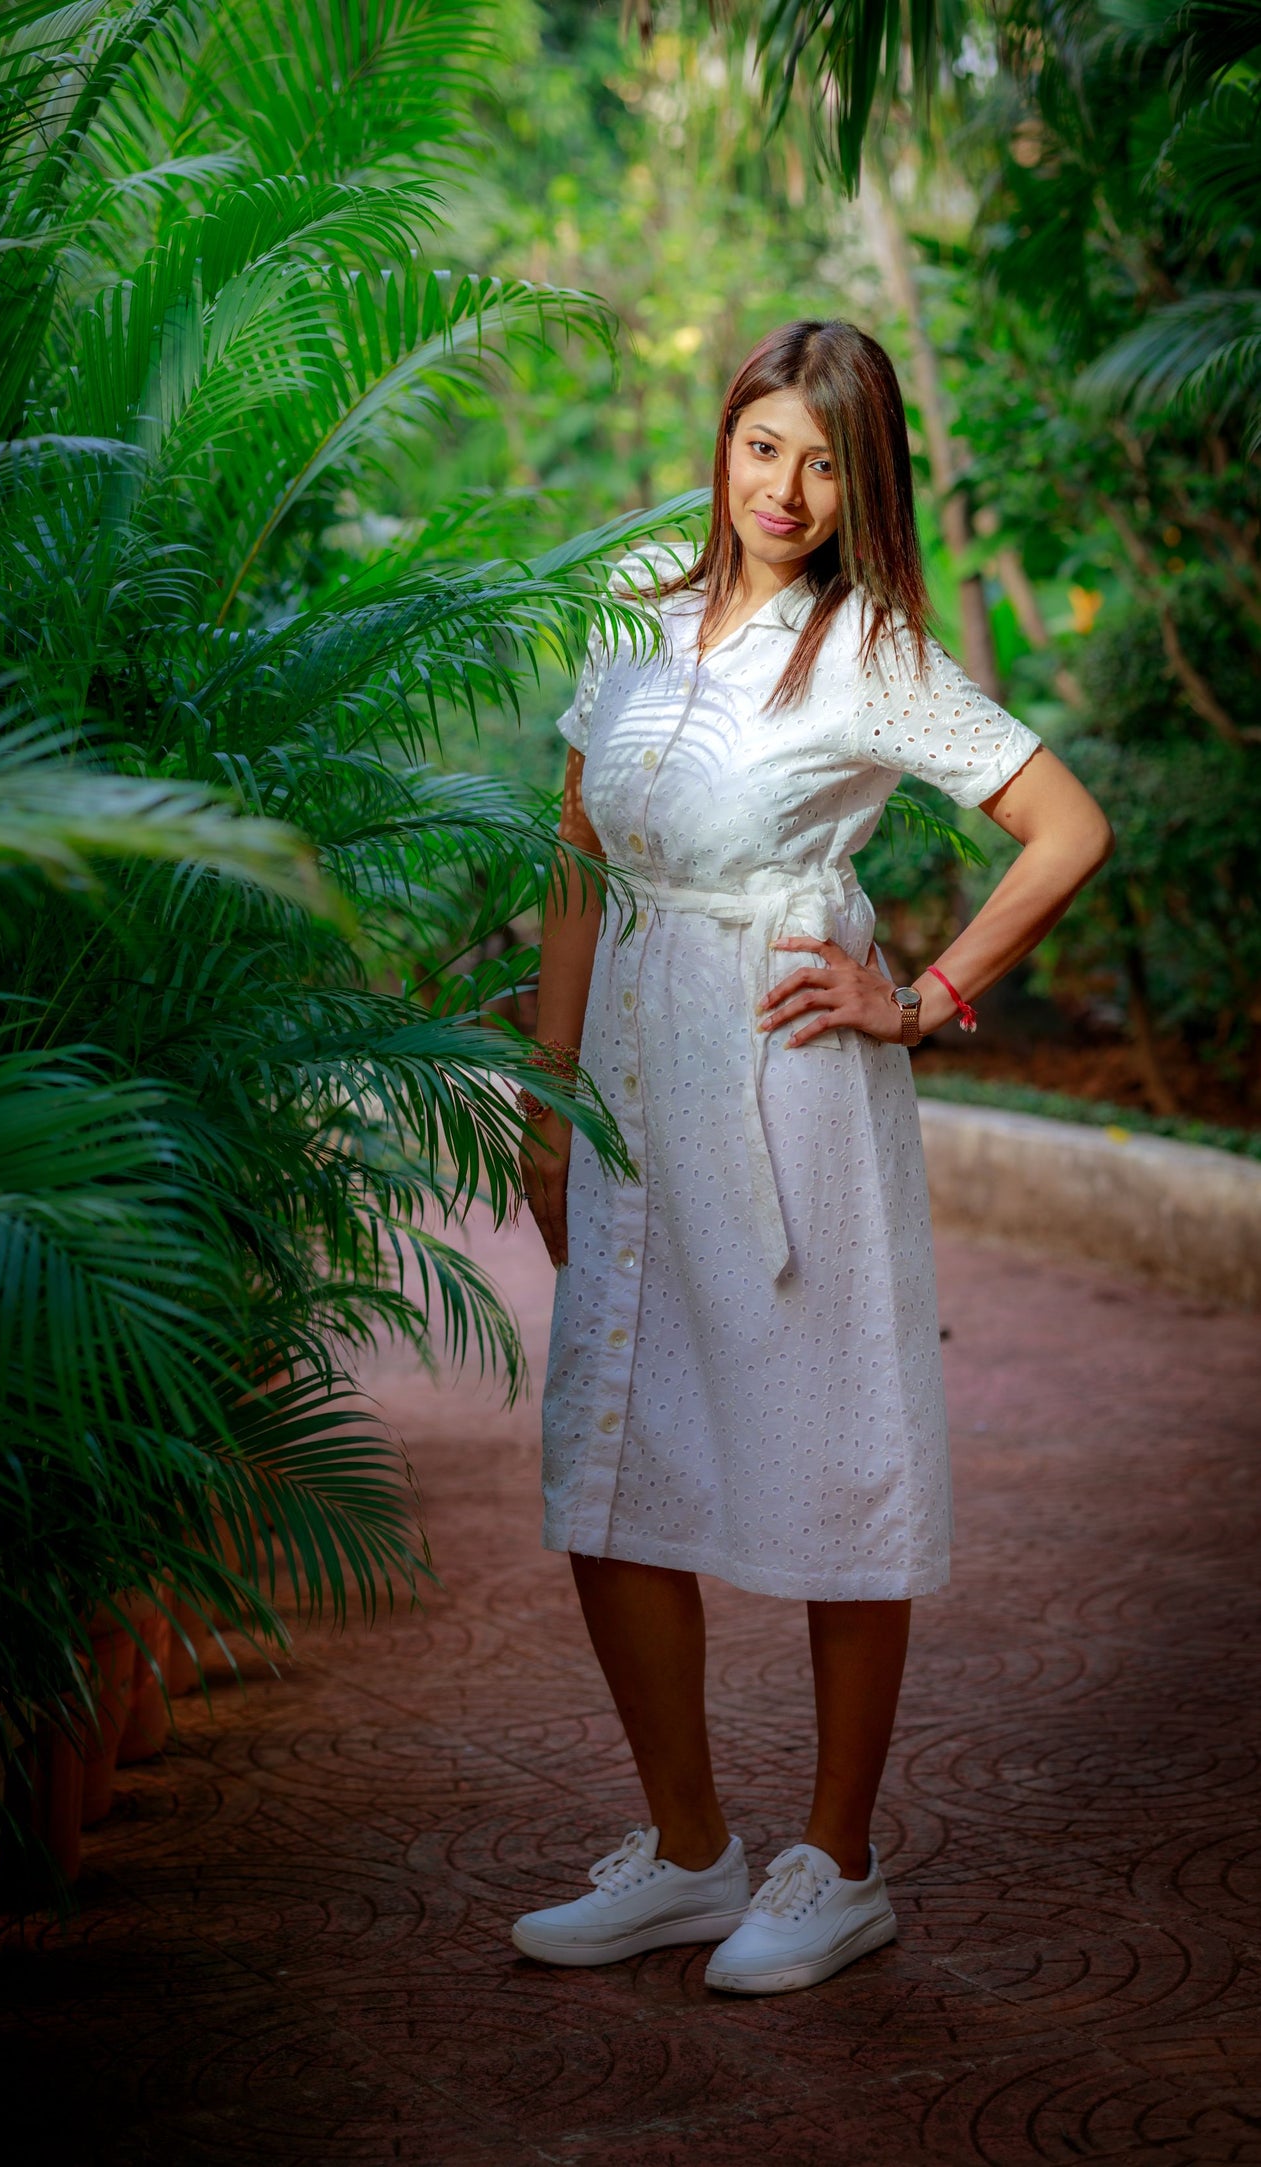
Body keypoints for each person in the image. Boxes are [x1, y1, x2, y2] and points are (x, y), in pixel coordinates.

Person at [511, 319, 1112, 1996]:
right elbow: (576, 853)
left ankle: (836, 1863)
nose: (786, 486)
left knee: (825, 1448)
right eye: (764, 443)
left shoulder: (873, 650)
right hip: (629, 1071)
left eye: (827, 459)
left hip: (783, 1084)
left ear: (866, 485)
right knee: (610, 1452)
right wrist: (546, 1099)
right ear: (723, 439)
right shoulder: (630, 599)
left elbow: (1067, 827)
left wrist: (918, 999)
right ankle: (689, 1853)